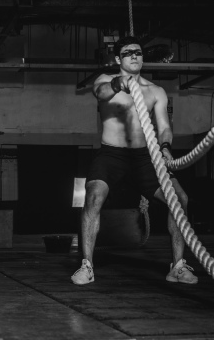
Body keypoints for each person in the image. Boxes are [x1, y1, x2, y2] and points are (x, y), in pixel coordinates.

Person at [71, 36, 197, 286]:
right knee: (93, 195)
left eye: (138, 52)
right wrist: (121, 84)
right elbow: (101, 93)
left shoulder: (156, 91)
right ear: (118, 59)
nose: (134, 56)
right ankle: (86, 265)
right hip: (111, 154)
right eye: (128, 53)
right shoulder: (106, 81)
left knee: (180, 199)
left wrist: (165, 147)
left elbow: (163, 127)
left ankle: (178, 266)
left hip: (144, 156)